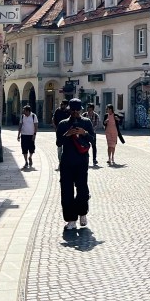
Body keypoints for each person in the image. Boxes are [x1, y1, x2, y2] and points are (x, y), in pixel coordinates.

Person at [55, 98, 95, 231]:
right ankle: (71, 219)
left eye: (78, 110)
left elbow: (93, 140)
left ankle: (82, 213)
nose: (75, 113)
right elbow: (58, 143)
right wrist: (67, 134)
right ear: (69, 110)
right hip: (67, 162)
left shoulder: (86, 122)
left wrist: (84, 133)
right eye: (73, 110)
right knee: (66, 191)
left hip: (82, 161)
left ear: (81, 110)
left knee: (82, 189)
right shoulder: (63, 124)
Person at [17, 104, 39, 169]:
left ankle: (30, 157)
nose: (23, 112)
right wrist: (18, 135)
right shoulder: (22, 116)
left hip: (31, 135)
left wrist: (34, 134)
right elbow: (20, 126)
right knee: (24, 149)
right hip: (24, 135)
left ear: (28, 111)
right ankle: (26, 161)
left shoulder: (33, 116)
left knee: (31, 149)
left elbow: (36, 126)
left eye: (24, 111)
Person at [52, 99, 71, 168]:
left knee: (67, 147)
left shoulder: (69, 112)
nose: (61, 105)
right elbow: (53, 119)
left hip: (67, 133)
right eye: (61, 104)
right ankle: (60, 161)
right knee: (59, 147)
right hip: (59, 132)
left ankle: (66, 161)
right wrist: (55, 127)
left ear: (66, 105)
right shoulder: (58, 110)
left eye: (62, 104)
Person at [84, 103, 101, 167]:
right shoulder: (84, 115)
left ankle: (94, 159)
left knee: (94, 145)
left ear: (92, 108)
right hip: (85, 133)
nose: (88, 109)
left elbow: (97, 124)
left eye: (89, 107)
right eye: (87, 107)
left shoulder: (96, 115)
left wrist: (91, 130)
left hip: (92, 133)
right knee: (85, 145)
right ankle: (85, 158)